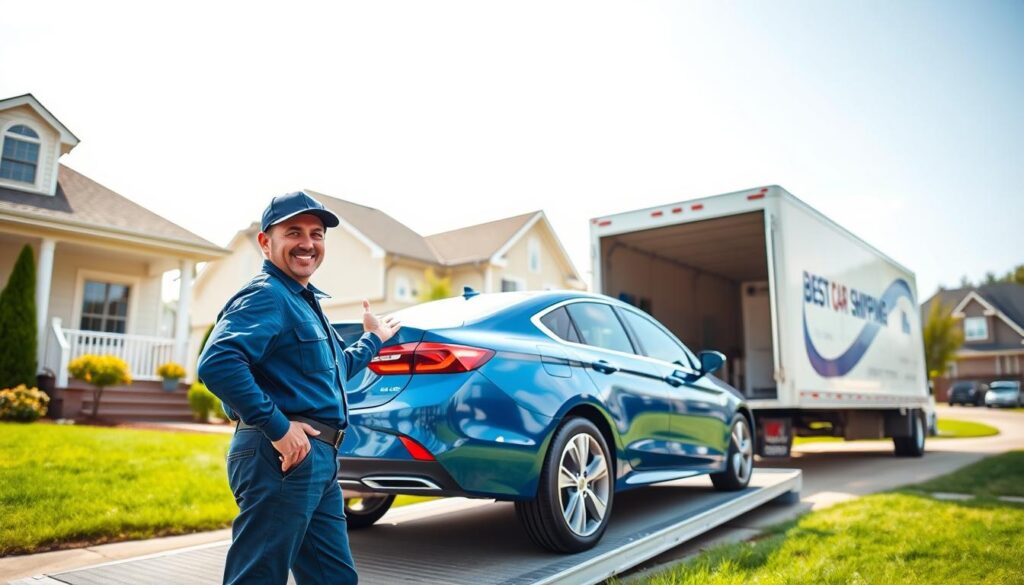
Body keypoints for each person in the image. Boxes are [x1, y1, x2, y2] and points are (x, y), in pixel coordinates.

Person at [198, 191, 400, 585]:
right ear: (265, 242)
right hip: (281, 456)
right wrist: (278, 428)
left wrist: (372, 340)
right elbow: (217, 363)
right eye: (294, 232)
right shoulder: (266, 295)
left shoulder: (303, 303)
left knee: (334, 578)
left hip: (316, 462)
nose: (308, 243)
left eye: (317, 233)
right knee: (257, 577)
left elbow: (335, 369)